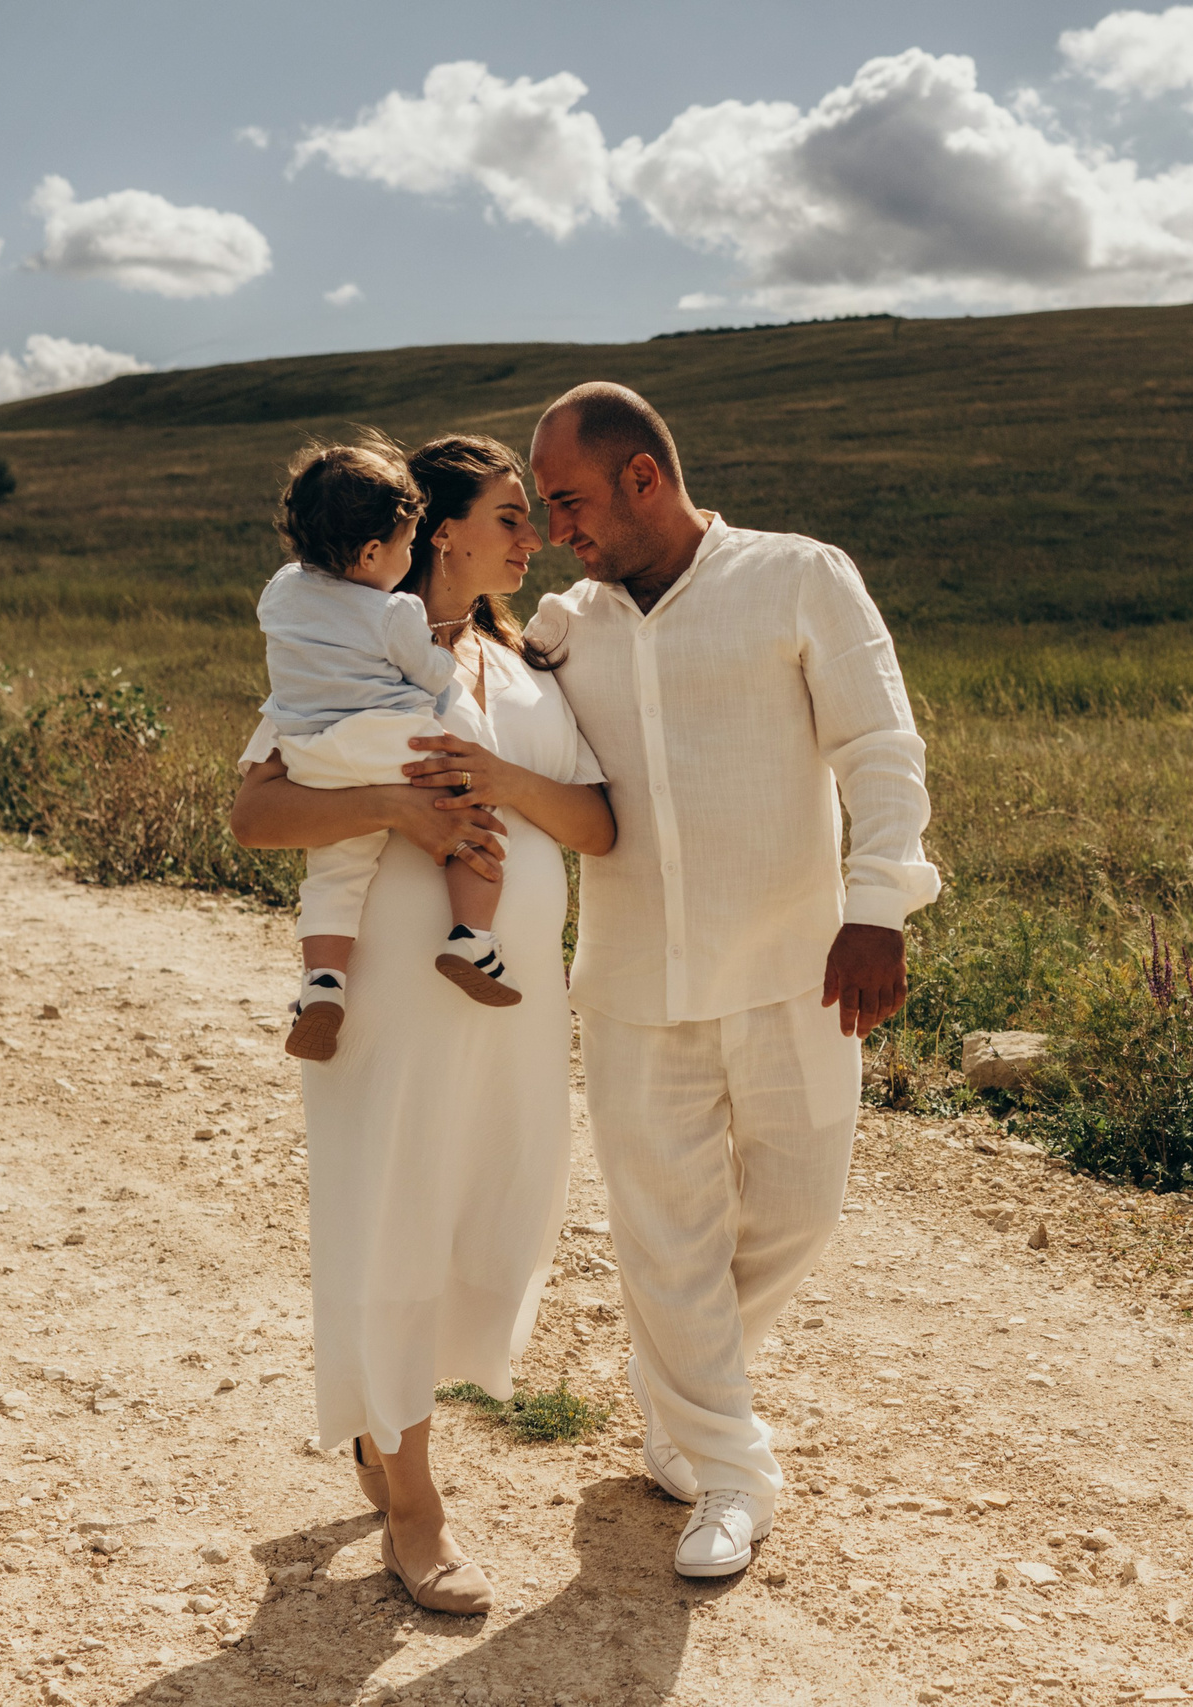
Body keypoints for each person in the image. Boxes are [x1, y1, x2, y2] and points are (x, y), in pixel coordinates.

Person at [525, 382, 940, 1578]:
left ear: (642, 478)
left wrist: (876, 910)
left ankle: (684, 1395)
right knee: (664, 1239)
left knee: (799, 1211)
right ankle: (727, 1472)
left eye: (571, 500)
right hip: (631, 984)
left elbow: (879, 748)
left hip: (798, 966)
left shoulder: (800, 576)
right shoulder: (566, 623)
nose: (561, 528)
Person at [228, 433, 615, 1615]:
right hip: (390, 993)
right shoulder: (356, 652)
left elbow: (598, 825)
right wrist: (399, 803)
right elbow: (257, 813)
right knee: (388, 1213)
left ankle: (385, 1427)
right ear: (438, 531)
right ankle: (415, 1502)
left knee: (484, 1211)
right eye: (509, 515)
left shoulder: (529, 672)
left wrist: (495, 787)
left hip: (503, 994)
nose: (530, 534)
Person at [255, 436, 518, 1066]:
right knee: (468, 816)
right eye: (405, 543)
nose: (409, 554)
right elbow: (430, 673)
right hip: (385, 741)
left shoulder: (281, 591)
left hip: (311, 754)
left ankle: (323, 983)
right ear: (373, 551)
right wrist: (435, 659)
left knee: (335, 873)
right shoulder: (394, 611)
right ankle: (471, 939)